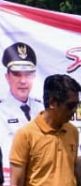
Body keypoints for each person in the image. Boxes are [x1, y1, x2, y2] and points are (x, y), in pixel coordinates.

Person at [0, 42, 41, 173]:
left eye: (28, 74)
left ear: (34, 76)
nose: (23, 81)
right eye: (17, 74)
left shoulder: (43, 109)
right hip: (9, 182)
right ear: (7, 77)